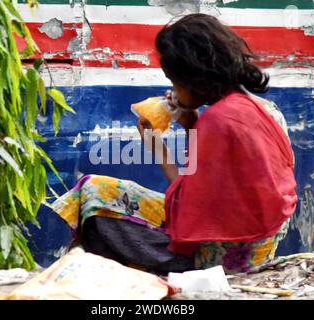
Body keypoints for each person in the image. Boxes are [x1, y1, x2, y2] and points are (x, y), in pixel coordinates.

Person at [52, 14, 297, 274]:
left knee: (93, 195)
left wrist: (159, 150)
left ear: (194, 79)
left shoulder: (218, 121)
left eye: (175, 82)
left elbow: (187, 211)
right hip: (259, 244)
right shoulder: (265, 109)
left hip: (217, 257)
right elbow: (227, 189)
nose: (173, 90)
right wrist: (192, 125)